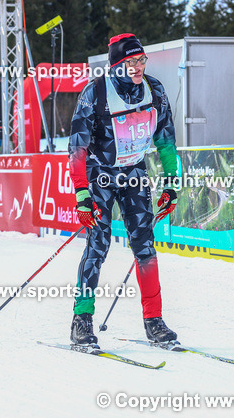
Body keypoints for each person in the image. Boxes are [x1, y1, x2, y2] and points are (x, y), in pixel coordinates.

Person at [67, 33, 180, 347]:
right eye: (130, 62)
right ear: (116, 64)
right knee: (98, 246)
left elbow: (167, 143)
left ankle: (154, 320)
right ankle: (82, 320)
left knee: (145, 246)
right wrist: (82, 194)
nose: (137, 67)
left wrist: (172, 184)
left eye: (141, 60)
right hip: (99, 174)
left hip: (133, 173)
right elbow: (76, 149)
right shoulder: (95, 93)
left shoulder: (154, 90)